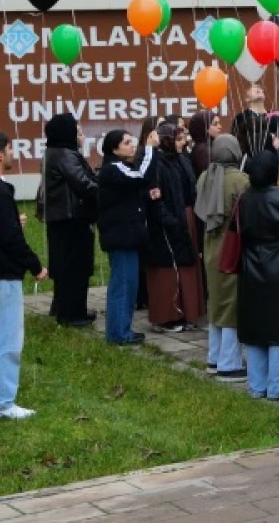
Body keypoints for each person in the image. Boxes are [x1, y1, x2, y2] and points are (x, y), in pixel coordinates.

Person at [236, 152, 279, 401]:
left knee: (255, 324)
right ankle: (278, 385)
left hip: (250, 261)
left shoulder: (243, 199)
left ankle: (256, 384)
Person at [0, 133, 48, 420]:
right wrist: (35, 265)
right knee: (7, 338)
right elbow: (10, 240)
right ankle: (3, 402)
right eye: (8, 148)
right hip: (3, 273)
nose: (12, 152)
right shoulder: (1, 191)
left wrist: (10, 223)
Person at [193, 136, 250, 379]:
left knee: (215, 303)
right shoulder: (240, 179)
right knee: (231, 305)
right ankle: (229, 363)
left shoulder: (206, 175)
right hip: (231, 248)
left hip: (210, 246)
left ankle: (214, 358)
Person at [97, 129, 158, 347]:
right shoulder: (113, 169)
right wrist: (150, 148)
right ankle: (118, 333)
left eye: (132, 142)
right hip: (121, 237)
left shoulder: (121, 168)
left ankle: (122, 329)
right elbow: (142, 176)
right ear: (114, 149)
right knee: (122, 285)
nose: (132, 146)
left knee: (128, 284)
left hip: (128, 237)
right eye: (126, 143)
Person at [145, 124, 205, 332]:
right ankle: (167, 315)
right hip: (168, 221)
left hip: (186, 216)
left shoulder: (182, 160)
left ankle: (187, 311)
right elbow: (154, 195)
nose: (184, 142)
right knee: (168, 269)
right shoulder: (157, 164)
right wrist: (168, 219)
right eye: (180, 139)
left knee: (187, 266)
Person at [41, 114, 98, 327]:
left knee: (67, 266)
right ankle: (72, 314)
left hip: (62, 217)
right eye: (77, 130)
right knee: (76, 267)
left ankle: (72, 309)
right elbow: (82, 183)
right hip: (72, 217)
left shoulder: (54, 152)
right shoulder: (66, 154)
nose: (80, 134)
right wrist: (106, 191)